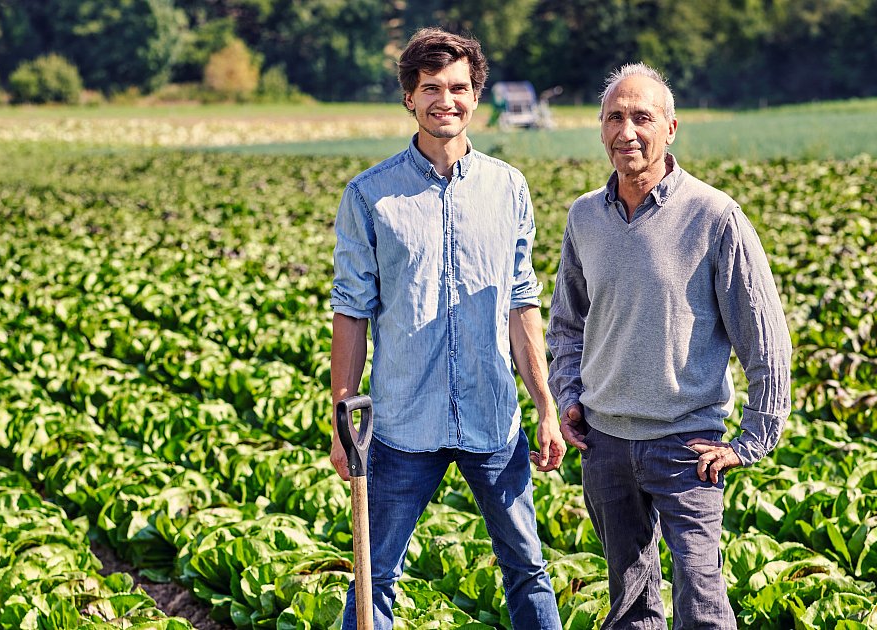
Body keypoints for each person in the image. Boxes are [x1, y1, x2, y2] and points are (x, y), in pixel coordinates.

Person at [328, 27, 565, 630]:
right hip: (402, 423)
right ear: (409, 97)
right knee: (375, 575)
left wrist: (545, 406)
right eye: (431, 87)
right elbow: (351, 312)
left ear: (476, 96)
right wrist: (343, 422)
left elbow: (521, 302)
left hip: (492, 416)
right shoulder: (370, 196)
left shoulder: (507, 187)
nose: (445, 100)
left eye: (458, 87)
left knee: (527, 567)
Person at [546, 62, 792, 629]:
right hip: (606, 444)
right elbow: (566, 325)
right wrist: (569, 396)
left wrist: (753, 439)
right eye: (614, 118)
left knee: (702, 603)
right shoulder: (585, 216)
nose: (626, 132)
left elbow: (765, 337)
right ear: (600, 128)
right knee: (629, 604)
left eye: (642, 118)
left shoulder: (714, 215)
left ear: (671, 128)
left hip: (687, 445)